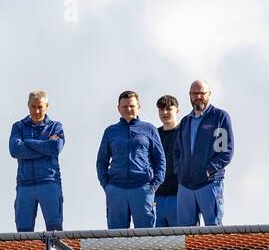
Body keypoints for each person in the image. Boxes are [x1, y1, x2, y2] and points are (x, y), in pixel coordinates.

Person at [95, 90, 165, 229]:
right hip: (116, 189)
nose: (128, 109)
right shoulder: (110, 131)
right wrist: (107, 186)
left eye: (132, 106)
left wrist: (152, 187)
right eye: (124, 106)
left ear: (138, 106)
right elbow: (101, 161)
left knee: (145, 237)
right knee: (117, 238)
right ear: (118, 108)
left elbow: (160, 160)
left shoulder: (149, 129)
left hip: (142, 189)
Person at [171, 79, 234, 226]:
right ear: (189, 95)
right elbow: (177, 151)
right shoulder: (185, 121)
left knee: (213, 232)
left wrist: (209, 171)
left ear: (209, 94)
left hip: (210, 184)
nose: (198, 97)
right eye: (194, 93)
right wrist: (180, 171)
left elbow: (226, 150)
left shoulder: (219, 117)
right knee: (185, 234)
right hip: (185, 186)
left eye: (202, 93)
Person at [9, 90, 65, 231]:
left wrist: (27, 142)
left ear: (47, 106)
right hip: (25, 186)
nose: (37, 110)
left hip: (49, 183)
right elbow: (15, 150)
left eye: (40, 107)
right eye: (33, 106)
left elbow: (54, 148)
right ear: (28, 105)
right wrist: (43, 145)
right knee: (23, 234)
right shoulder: (18, 127)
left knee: (55, 233)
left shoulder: (56, 126)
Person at [154, 94, 181, 227]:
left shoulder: (185, 132)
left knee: (180, 240)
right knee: (156, 243)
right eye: (161, 109)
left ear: (177, 110)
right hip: (156, 197)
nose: (164, 113)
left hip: (179, 196)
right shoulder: (153, 134)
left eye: (169, 109)